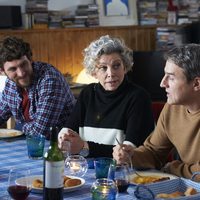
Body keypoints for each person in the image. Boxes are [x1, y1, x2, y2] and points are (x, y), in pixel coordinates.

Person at [58, 35, 155, 158]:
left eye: (116, 65)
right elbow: (68, 130)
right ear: (94, 72)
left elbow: (128, 152)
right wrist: (64, 138)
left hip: (124, 170)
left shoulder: (138, 97)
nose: (111, 73)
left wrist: (84, 147)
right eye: (103, 68)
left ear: (125, 67)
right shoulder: (87, 93)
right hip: (86, 167)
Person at [113, 43, 200, 179]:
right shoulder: (172, 107)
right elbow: (153, 152)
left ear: (196, 84)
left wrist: (171, 168)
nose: (162, 83)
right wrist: (131, 156)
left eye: (171, 77)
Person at [0, 36, 76, 137]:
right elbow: (1, 114)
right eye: (13, 69)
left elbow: (41, 132)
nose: (21, 73)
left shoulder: (49, 78)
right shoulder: (11, 83)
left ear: (30, 59)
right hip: (28, 141)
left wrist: (19, 127)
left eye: (24, 64)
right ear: (2, 71)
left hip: (61, 144)